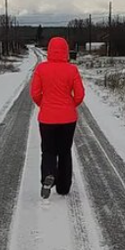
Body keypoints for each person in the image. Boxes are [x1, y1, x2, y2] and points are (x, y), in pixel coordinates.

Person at [30, 37, 85, 198]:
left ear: (49, 50)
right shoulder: (72, 69)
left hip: (47, 118)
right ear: (66, 51)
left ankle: (48, 174)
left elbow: (35, 93)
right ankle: (63, 187)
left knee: (48, 150)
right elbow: (80, 94)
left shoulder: (41, 69)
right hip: (68, 119)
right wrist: (70, 105)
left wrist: (44, 105)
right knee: (64, 152)